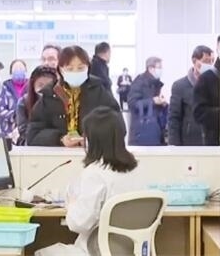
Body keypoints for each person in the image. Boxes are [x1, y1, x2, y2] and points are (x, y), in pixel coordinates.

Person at [34, 107, 143, 256]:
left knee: (40, 253)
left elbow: (79, 224)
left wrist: (72, 205)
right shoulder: (136, 169)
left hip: (96, 251)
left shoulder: (95, 174)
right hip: (132, 251)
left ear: (90, 141)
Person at [26, 46, 120, 147]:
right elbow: (33, 134)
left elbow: (117, 125)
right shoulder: (50, 95)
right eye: (70, 69)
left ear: (88, 68)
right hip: (58, 154)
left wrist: (95, 137)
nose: (75, 72)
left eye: (81, 68)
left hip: (92, 153)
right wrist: (60, 139)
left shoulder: (99, 91)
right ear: (61, 70)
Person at [169, 46, 214, 146]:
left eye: (212, 61)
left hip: (211, 142)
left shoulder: (214, 84)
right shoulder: (180, 86)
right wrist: (174, 145)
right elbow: (174, 118)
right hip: (190, 142)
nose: (209, 65)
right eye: (206, 61)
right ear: (194, 61)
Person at [126, 56, 168, 146]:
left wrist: (162, 104)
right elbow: (132, 103)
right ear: (150, 68)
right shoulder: (139, 82)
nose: (161, 70)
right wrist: (153, 101)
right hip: (142, 133)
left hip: (155, 131)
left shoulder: (156, 84)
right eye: (159, 67)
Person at [14, 66, 59, 146]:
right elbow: (24, 132)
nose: (45, 90)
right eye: (40, 85)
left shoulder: (59, 102)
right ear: (33, 86)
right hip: (31, 146)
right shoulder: (23, 103)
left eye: (49, 86)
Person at [194, 36, 220, 146]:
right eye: (206, 61)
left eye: (211, 61)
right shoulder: (206, 78)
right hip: (214, 140)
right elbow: (199, 113)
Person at [0, 60, 28, 136]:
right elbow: (0, 111)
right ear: (11, 73)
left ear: (26, 71)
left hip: (28, 132)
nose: (18, 70)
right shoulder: (5, 87)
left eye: (21, 68)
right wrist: (17, 115)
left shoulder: (31, 87)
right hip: (9, 132)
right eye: (15, 69)